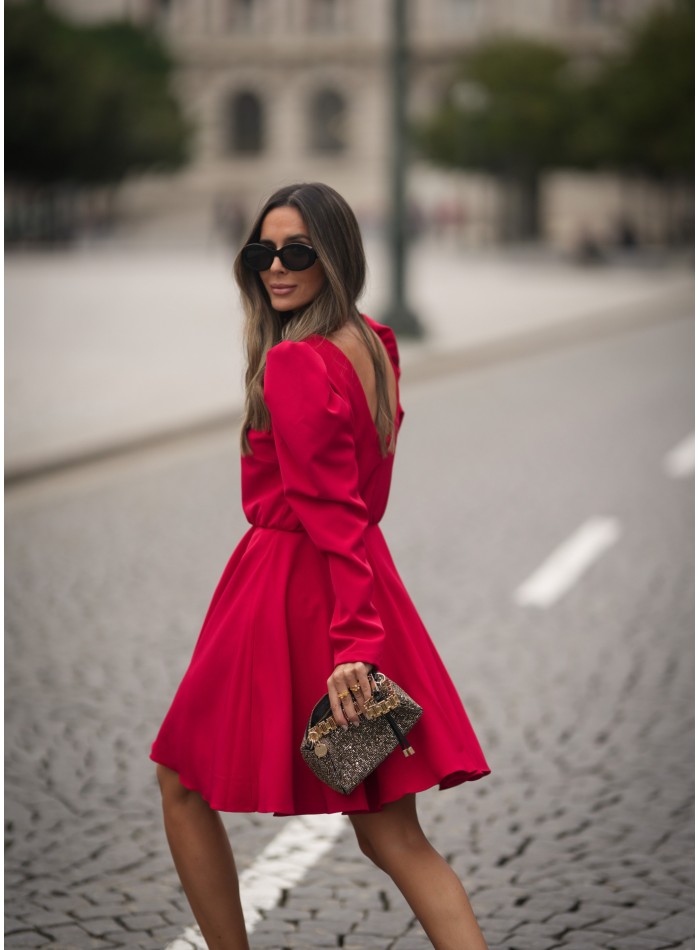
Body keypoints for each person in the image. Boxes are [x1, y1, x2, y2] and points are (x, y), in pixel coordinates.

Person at [151, 182, 491, 949]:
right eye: (262, 252)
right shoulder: (373, 342)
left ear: (334, 255)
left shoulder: (297, 363)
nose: (276, 267)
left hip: (296, 593)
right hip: (359, 581)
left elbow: (331, 513)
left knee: (180, 779)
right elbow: (358, 508)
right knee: (393, 837)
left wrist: (355, 646)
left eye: (297, 251)